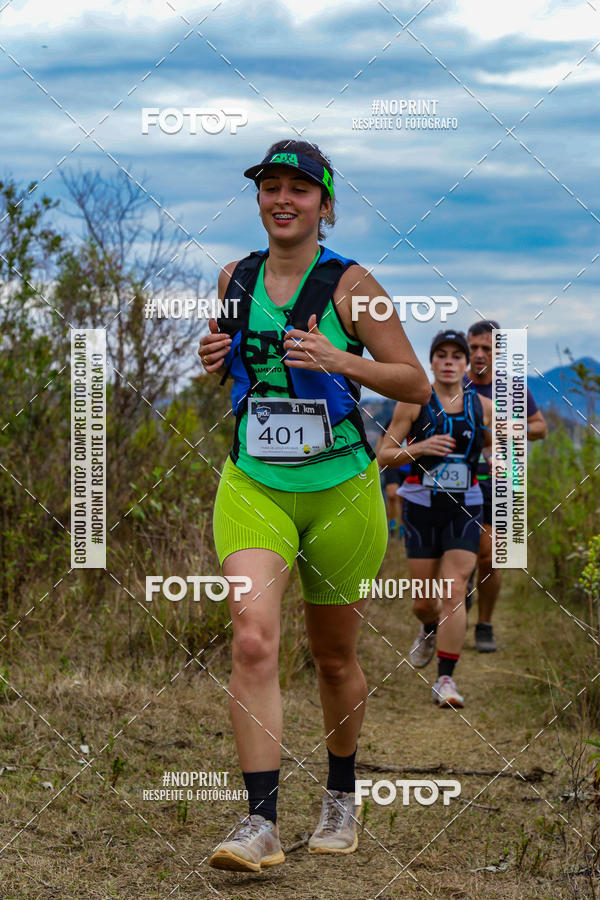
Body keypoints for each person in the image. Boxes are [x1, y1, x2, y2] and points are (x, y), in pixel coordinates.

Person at [197, 139, 430, 872]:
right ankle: (259, 823)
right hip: (255, 483)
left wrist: (339, 358)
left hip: (341, 493)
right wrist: (211, 358)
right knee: (254, 639)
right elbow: (240, 372)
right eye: (271, 186)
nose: (283, 199)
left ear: (325, 206)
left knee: (333, 659)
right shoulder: (237, 277)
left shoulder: (354, 284)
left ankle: (340, 795)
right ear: (259, 198)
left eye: (301, 189)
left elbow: (414, 384)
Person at [377, 330, 492, 708]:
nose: (448, 361)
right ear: (431, 361)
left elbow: (507, 443)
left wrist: (497, 455)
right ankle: (428, 626)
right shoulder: (414, 403)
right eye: (440, 355)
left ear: (466, 365)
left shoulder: (481, 406)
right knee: (425, 602)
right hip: (421, 507)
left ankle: (446, 680)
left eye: (455, 356)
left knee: (454, 590)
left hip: (465, 506)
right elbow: (383, 455)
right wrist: (422, 447)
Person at [465, 320, 548, 652]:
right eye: (474, 348)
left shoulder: (513, 389)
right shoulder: (453, 385)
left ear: (498, 351)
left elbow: (540, 428)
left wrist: (506, 427)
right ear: (467, 349)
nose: (480, 354)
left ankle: (484, 624)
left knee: (489, 557)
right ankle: (457, 601)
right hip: (457, 482)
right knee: (460, 554)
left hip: (501, 481)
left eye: (487, 347)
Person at [375, 418, 409, 537]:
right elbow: (381, 439)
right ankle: (392, 524)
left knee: (402, 498)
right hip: (392, 462)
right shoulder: (391, 421)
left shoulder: (418, 420)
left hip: (408, 464)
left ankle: (401, 526)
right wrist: (377, 462)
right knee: (392, 494)